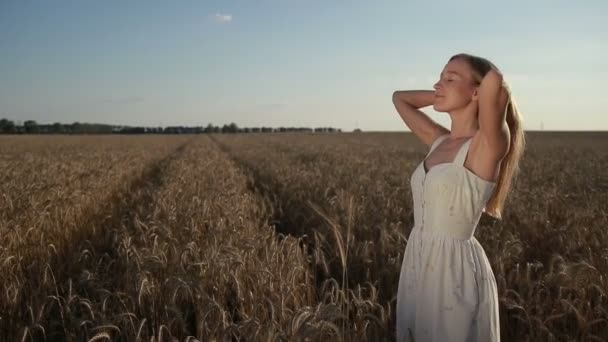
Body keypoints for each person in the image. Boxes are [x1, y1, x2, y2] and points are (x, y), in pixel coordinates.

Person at [391, 53, 525, 341]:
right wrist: (445, 92)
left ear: (477, 92)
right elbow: (399, 98)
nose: (439, 83)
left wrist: (465, 91)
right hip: (418, 257)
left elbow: (495, 81)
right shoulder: (439, 139)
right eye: (439, 78)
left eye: (449, 78)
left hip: (454, 270)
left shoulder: (487, 145)